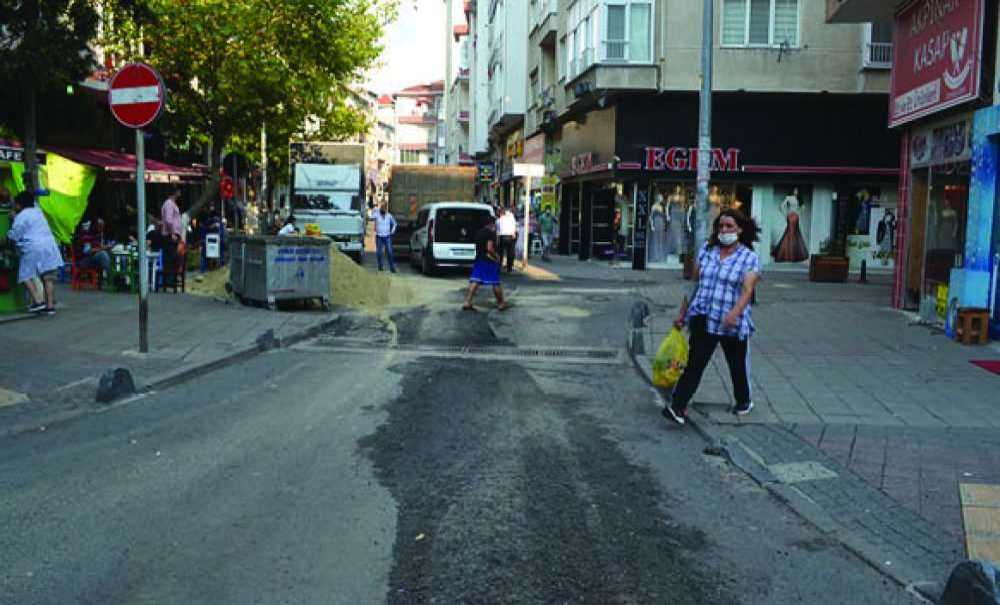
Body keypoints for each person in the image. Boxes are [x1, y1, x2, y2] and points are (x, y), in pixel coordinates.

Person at [662, 209, 762, 426]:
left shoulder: (749, 257)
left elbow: (747, 291)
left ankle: (744, 401)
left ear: (740, 229)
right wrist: (682, 314)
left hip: (730, 321)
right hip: (703, 316)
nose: (724, 231)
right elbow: (694, 285)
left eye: (729, 226)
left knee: (736, 364)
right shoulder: (706, 252)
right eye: (720, 227)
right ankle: (677, 406)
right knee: (695, 363)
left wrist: (734, 313)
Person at [6, 192, 63, 315]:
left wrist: (12, 220)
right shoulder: (38, 211)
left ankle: (38, 302)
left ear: (19, 205)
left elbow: (14, 235)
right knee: (48, 277)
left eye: (15, 204)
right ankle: (50, 307)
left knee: (25, 275)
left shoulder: (21, 216)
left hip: (34, 247)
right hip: (49, 246)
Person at [463, 213, 507, 311]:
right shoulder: (490, 233)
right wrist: (497, 256)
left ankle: (467, 302)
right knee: (495, 282)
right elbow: (490, 248)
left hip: (479, 259)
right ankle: (501, 303)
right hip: (489, 260)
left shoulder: (478, 233)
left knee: (475, 281)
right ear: (491, 224)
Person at [73, 220, 111, 285]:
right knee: (102, 254)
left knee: (110, 254)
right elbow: (87, 251)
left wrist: (107, 247)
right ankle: (112, 277)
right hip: (83, 261)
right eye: (99, 226)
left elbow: (98, 247)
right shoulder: (87, 236)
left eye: (102, 226)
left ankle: (119, 278)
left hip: (92, 259)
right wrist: (102, 248)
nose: (101, 228)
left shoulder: (98, 235)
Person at [160, 189, 183, 289]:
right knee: (171, 258)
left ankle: (171, 279)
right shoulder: (169, 204)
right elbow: (168, 220)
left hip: (173, 233)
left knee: (173, 257)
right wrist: (172, 232)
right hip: (170, 234)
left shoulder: (172, 204)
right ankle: (169, 280)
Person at [373, 203, 397, 272]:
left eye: (384, 209)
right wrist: (375, 210)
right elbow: (371, 216)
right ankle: (380, 267)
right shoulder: (377, 215)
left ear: (386, 210)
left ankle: (392, 268)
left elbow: (394, 224)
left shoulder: (389, 216)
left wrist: (392, 231)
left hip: (387, 237)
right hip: (379, 237)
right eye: (382, 209)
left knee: (390, 252)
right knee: (379, 253)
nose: (383, 210)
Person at [497, 206, 517, 273]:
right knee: (510, 253)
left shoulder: (501, 219)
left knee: (500, 253)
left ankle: (499, 266)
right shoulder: (513, 219)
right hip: (510, 237)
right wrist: (514, 234)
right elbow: (515, 228)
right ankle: (509, 268)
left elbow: (497, 227)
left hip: (502, 236)